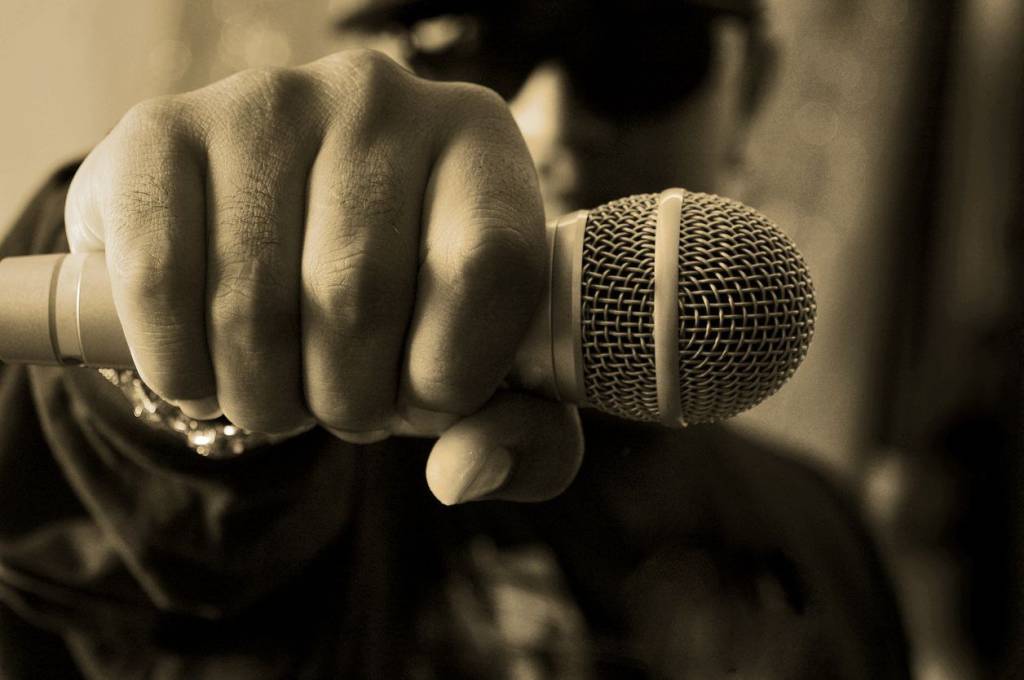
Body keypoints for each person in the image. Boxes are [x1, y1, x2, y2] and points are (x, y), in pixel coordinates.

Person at [0, 1, 911, 677]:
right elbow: (97, 543)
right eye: (472, 38)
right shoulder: (300, 485)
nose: (549, 122)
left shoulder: (829, 545)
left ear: (750, 85)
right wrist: (166, 337)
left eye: (640, 47)